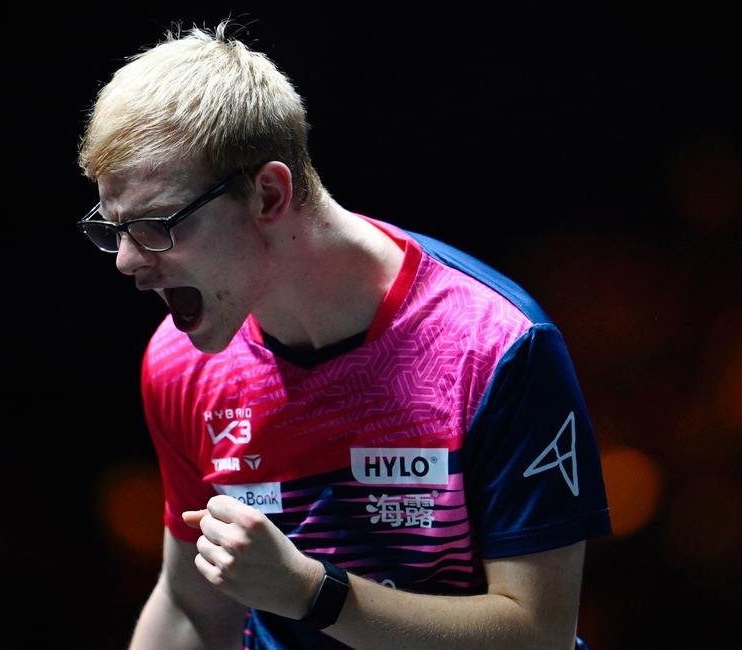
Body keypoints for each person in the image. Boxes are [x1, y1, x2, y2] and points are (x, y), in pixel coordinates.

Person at [77, 21, 611, 650]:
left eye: (158, 224)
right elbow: (193, 605)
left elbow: (538, 633)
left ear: (269, 194)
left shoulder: (495, 348)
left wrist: (312, 592)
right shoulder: (182, 365)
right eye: (114, 229)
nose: (127, 262)